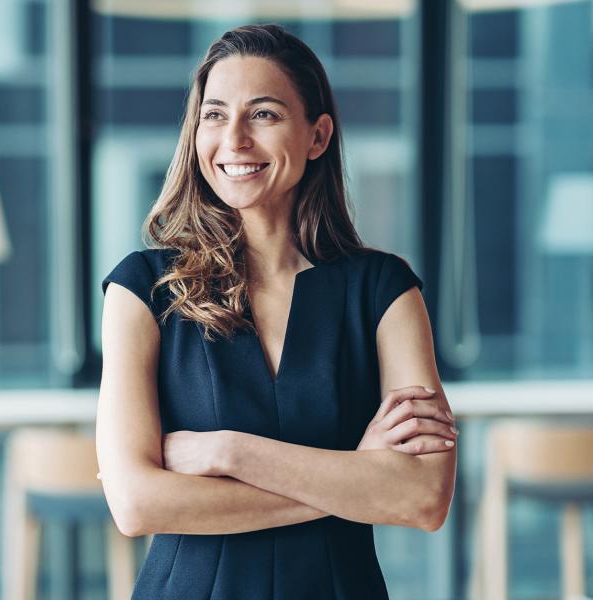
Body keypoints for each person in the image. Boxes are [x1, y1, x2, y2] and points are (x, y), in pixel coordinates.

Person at [97, 24, 457, 599]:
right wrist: (355, 478)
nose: (233, 138)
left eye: (263, 114)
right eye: (214, 115)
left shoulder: (383, 290)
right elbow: (137, 504)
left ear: (317, 136)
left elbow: (422, 499)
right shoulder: (144, 287)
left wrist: (225, 451)